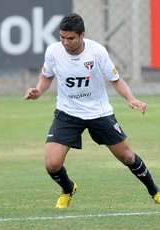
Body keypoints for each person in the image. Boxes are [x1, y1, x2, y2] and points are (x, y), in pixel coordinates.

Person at [24, 13, 160, 208]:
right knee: (51, 164)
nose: (65, 42)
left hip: (99, 113)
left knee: (127, 157)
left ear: (81, 35)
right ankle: (68, 189)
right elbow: (46, 76)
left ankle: (155, 191)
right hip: (67, 113)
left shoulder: (97, 52)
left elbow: (116, 80)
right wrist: (38, 90)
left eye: (70, 38)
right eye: (62, 37)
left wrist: (131, 98)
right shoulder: (53, 51)